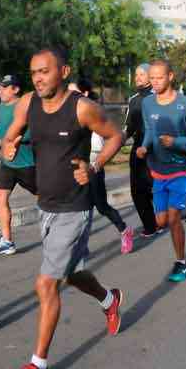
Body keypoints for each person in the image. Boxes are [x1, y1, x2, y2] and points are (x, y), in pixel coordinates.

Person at [1, 48, 124, 369]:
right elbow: (10, 136)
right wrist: (8, 146)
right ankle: (109, 300)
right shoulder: (28, 103)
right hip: (47, 204)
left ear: (64, 71)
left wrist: (95, 166)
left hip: (75, 205)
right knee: (69, 274)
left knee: (46, 283)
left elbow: (117, 135)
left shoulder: (82, 107)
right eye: (34, 72)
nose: (38, 78)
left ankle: (37, 364)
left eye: (44, 71)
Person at [136, 60, 186, 282]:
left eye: (159, 77)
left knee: (173, 217)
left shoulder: (185, 104)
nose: (154, 82)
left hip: (181, 168)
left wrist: (175, 142)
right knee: (161, 221)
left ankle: (181, 263)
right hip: (158, 167)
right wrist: (144, 146)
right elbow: (149, 129)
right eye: (152, 78)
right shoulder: (147, 103)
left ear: (170, 77)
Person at [69, 80, 135, 253]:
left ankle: (124, 230)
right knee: (79, 206)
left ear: (83, 94)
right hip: (75, 168)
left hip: (93, 166)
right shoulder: (67, 115)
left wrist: (96, 164)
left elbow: (112, 138)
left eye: (72, 91)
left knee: (101, 205)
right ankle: (82, 245)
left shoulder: (92, 112)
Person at [0, 74, 37, 255]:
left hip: (26, 162)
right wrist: (2, 133)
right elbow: (3, 131)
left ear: (15, 89)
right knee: (0, 197)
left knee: (45, 197)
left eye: (4, 87)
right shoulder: (2, 105)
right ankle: (7, 241)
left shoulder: (23, 106)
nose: (0, 90)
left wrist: (15, 138)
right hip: (8, 163)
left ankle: (60, 226)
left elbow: (32, 133)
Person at [124, 64, 160, 237]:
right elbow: (128, 129)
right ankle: (151, 226)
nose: (137, 77)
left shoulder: (159, 97)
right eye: (136, 74)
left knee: (158, 189)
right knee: (137, 191)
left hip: (157, 151)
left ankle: (174, 216)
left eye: (142, 74)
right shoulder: (133, 100)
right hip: (138, 151)